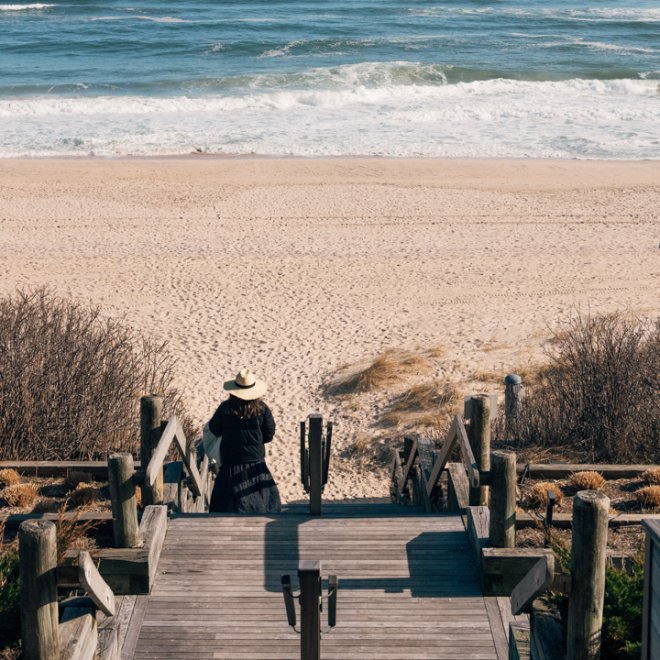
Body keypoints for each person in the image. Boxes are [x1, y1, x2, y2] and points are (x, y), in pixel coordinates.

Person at [207, 368, 282, 513]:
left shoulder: (225, 408)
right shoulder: (262, 409)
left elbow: (214, 429)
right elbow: (269, 434)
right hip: (255, 460)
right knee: (261, 498)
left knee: (226, 501)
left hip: (231, 461)